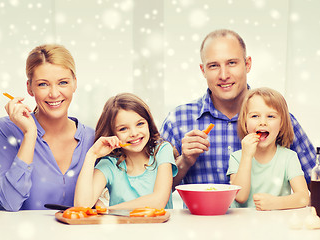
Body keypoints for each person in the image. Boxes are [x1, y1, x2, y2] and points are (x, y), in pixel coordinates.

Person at [160, 29, 316, 189]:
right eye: (213, 66)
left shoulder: (279, 119)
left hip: (265, 214)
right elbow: (153, 193)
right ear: (203, 70)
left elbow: (315, 179)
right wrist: (184, 162)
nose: (224, 75)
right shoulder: (177, 120)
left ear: (247, 64)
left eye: (232, 63)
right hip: (203, 215)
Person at [0, 44, 95, 211]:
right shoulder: (6, 129)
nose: (54, 94)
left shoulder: (92, 139)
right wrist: (30, 134)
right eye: (43, 84)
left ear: (75, 83)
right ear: (29, 88)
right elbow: (10, 203)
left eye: (63, 82)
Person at [74, 93, 177, 209]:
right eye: (123, 129)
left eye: (140, 124)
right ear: (113, 133)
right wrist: (92, 154)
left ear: (148, 123)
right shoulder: (109, 164)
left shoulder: (162, 151)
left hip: (159, 227)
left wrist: (108, 210)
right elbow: (81, 206)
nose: (134, 133)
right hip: (122, 227)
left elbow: (158, 201)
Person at [227, 87, 309, 210]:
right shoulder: (237, 157)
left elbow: (303, 197)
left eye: (271, 116)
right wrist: (246, 156)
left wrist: (276, 203)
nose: (263, 122)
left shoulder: (289, 157)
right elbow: (240, 197)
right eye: (255, 116)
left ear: (281, 123)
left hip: (276, 223)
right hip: (242, 224)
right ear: (245, 122)